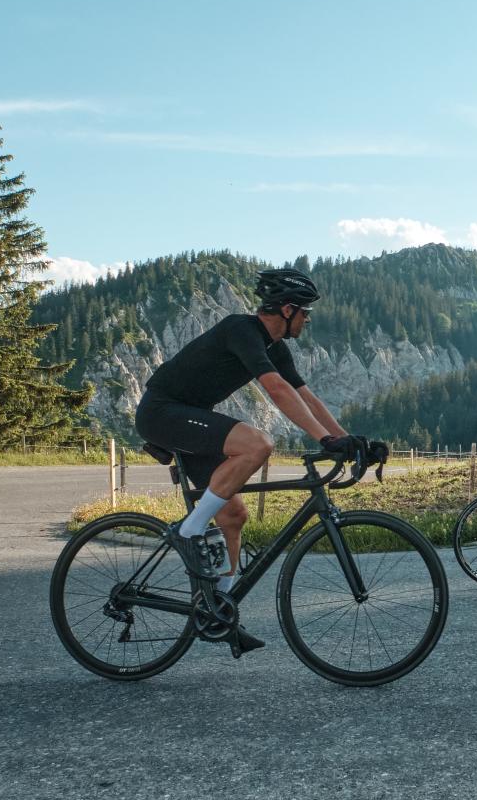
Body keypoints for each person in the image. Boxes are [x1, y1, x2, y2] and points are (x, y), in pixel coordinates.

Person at [133, 267, 365, 655]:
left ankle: (216, 611)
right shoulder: (241, 330)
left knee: (234, 517)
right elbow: (275, 390)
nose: (308, 319)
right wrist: (322, 439)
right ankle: (189, 530)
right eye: (305, 312)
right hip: (163, 412)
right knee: (257, 444)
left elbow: (306, 396)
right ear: (288, 310)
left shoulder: (277, 348)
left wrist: (346, 440)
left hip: (191, 417)